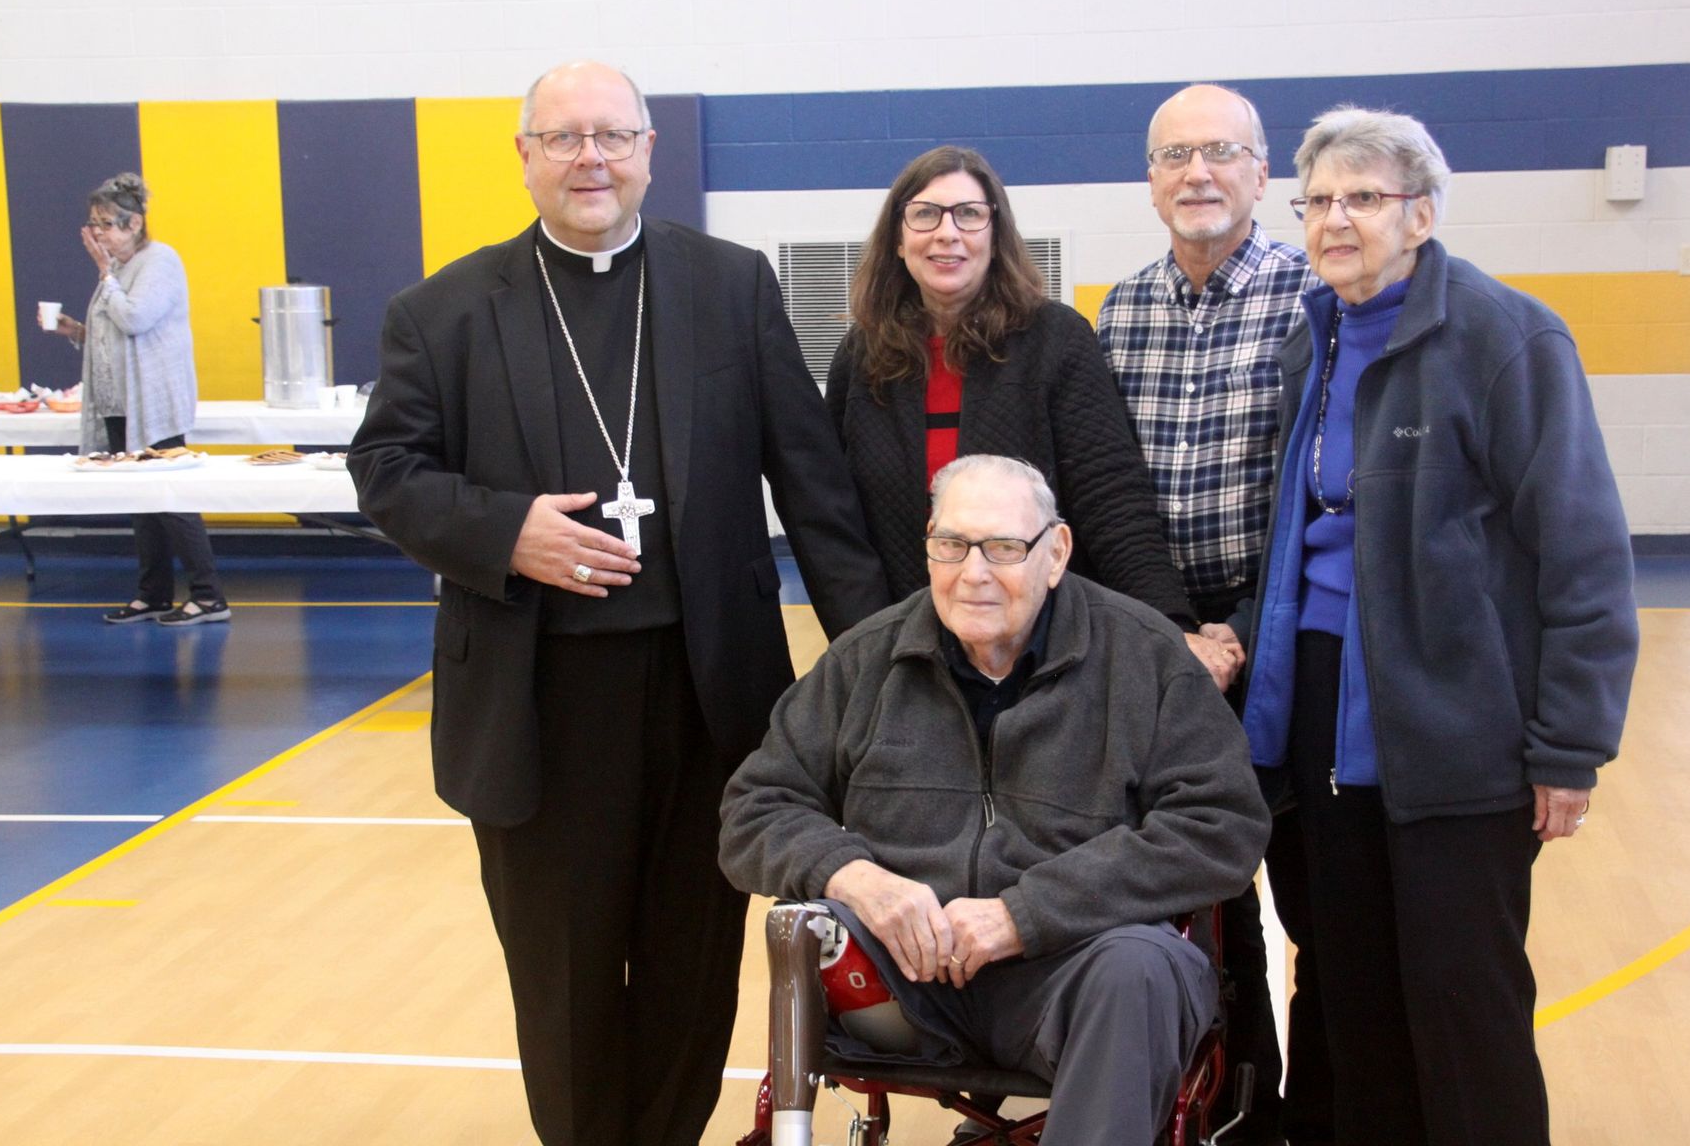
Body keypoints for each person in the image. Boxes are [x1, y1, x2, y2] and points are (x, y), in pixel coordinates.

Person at [347, 60, 887, 1146]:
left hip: (708, 694)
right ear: (525, 156)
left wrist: (882, 659)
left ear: (649, 150)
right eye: (563, 137)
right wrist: (507, 531)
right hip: (538, 699)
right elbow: (388, 471)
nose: (589, 156)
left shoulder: (730, 285)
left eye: (611, 135)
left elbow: (815, 488)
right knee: (568, 974)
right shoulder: (442, 309)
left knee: (693, 971)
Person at [1221, 106, 1640, 1145]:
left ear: (1422, 212)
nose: (1336, 220)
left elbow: (1582, 552)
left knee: (1463, 1000)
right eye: (1318, 200)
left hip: (1456, 730)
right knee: (1348, 988)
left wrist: (1570, 746)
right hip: (1319, 716)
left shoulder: (1507, 337)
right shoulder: (1307, 341)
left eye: (1364, 197)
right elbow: (1297, 536)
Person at [720, 455, 1270, 1146]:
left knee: (1141, 969)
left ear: (1056, 552)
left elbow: (1222, 828)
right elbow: (754, 806)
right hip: (905, 986)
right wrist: (856, 878)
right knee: (803, 925)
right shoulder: (865, 661)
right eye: (951, 545)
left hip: (1072, 977)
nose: (973, 573)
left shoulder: (1147, 659)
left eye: (1004, 548)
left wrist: (1023, 915)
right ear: (928, 543)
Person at [1097, 84, 1327, 1145]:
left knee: (1302, 884)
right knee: (1195, 886)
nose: (1198, 173)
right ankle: (1235, 1096)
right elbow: (1107, 491)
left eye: (1221, 153)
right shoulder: (1123, 309)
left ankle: (1310, 1108)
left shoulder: (1309, 299)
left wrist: (1237, 626)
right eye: (1176, 154)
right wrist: (1169, 628)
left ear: (1261, 173)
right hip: (1154, 637)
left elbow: (1308, 491)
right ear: (1150, 179)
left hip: (1271, 633)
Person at [827, 144, 1236, 689]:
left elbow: (1110, 496)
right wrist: (867, 639)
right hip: (913, 646)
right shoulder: (863, 356)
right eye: (925, 214)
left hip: (1042, 646)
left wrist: (1169, 627)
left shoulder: (1055, 340)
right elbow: (841, 520)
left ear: (995, 236)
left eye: (969, 214)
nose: (947, 232)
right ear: (898, 240)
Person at [41, 173, 227, 626]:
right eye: (93, 222)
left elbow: (137, 320)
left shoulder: (158, 261)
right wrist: (78, 331)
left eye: (106, 223)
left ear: (135, 224)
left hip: (155, 400)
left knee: (171, 499)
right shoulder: (122, 269)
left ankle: (208, 596)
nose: (97, 232)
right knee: (142, 501)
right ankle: (154, 593)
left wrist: (104, 274)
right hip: (122, 401)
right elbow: (116, 334)